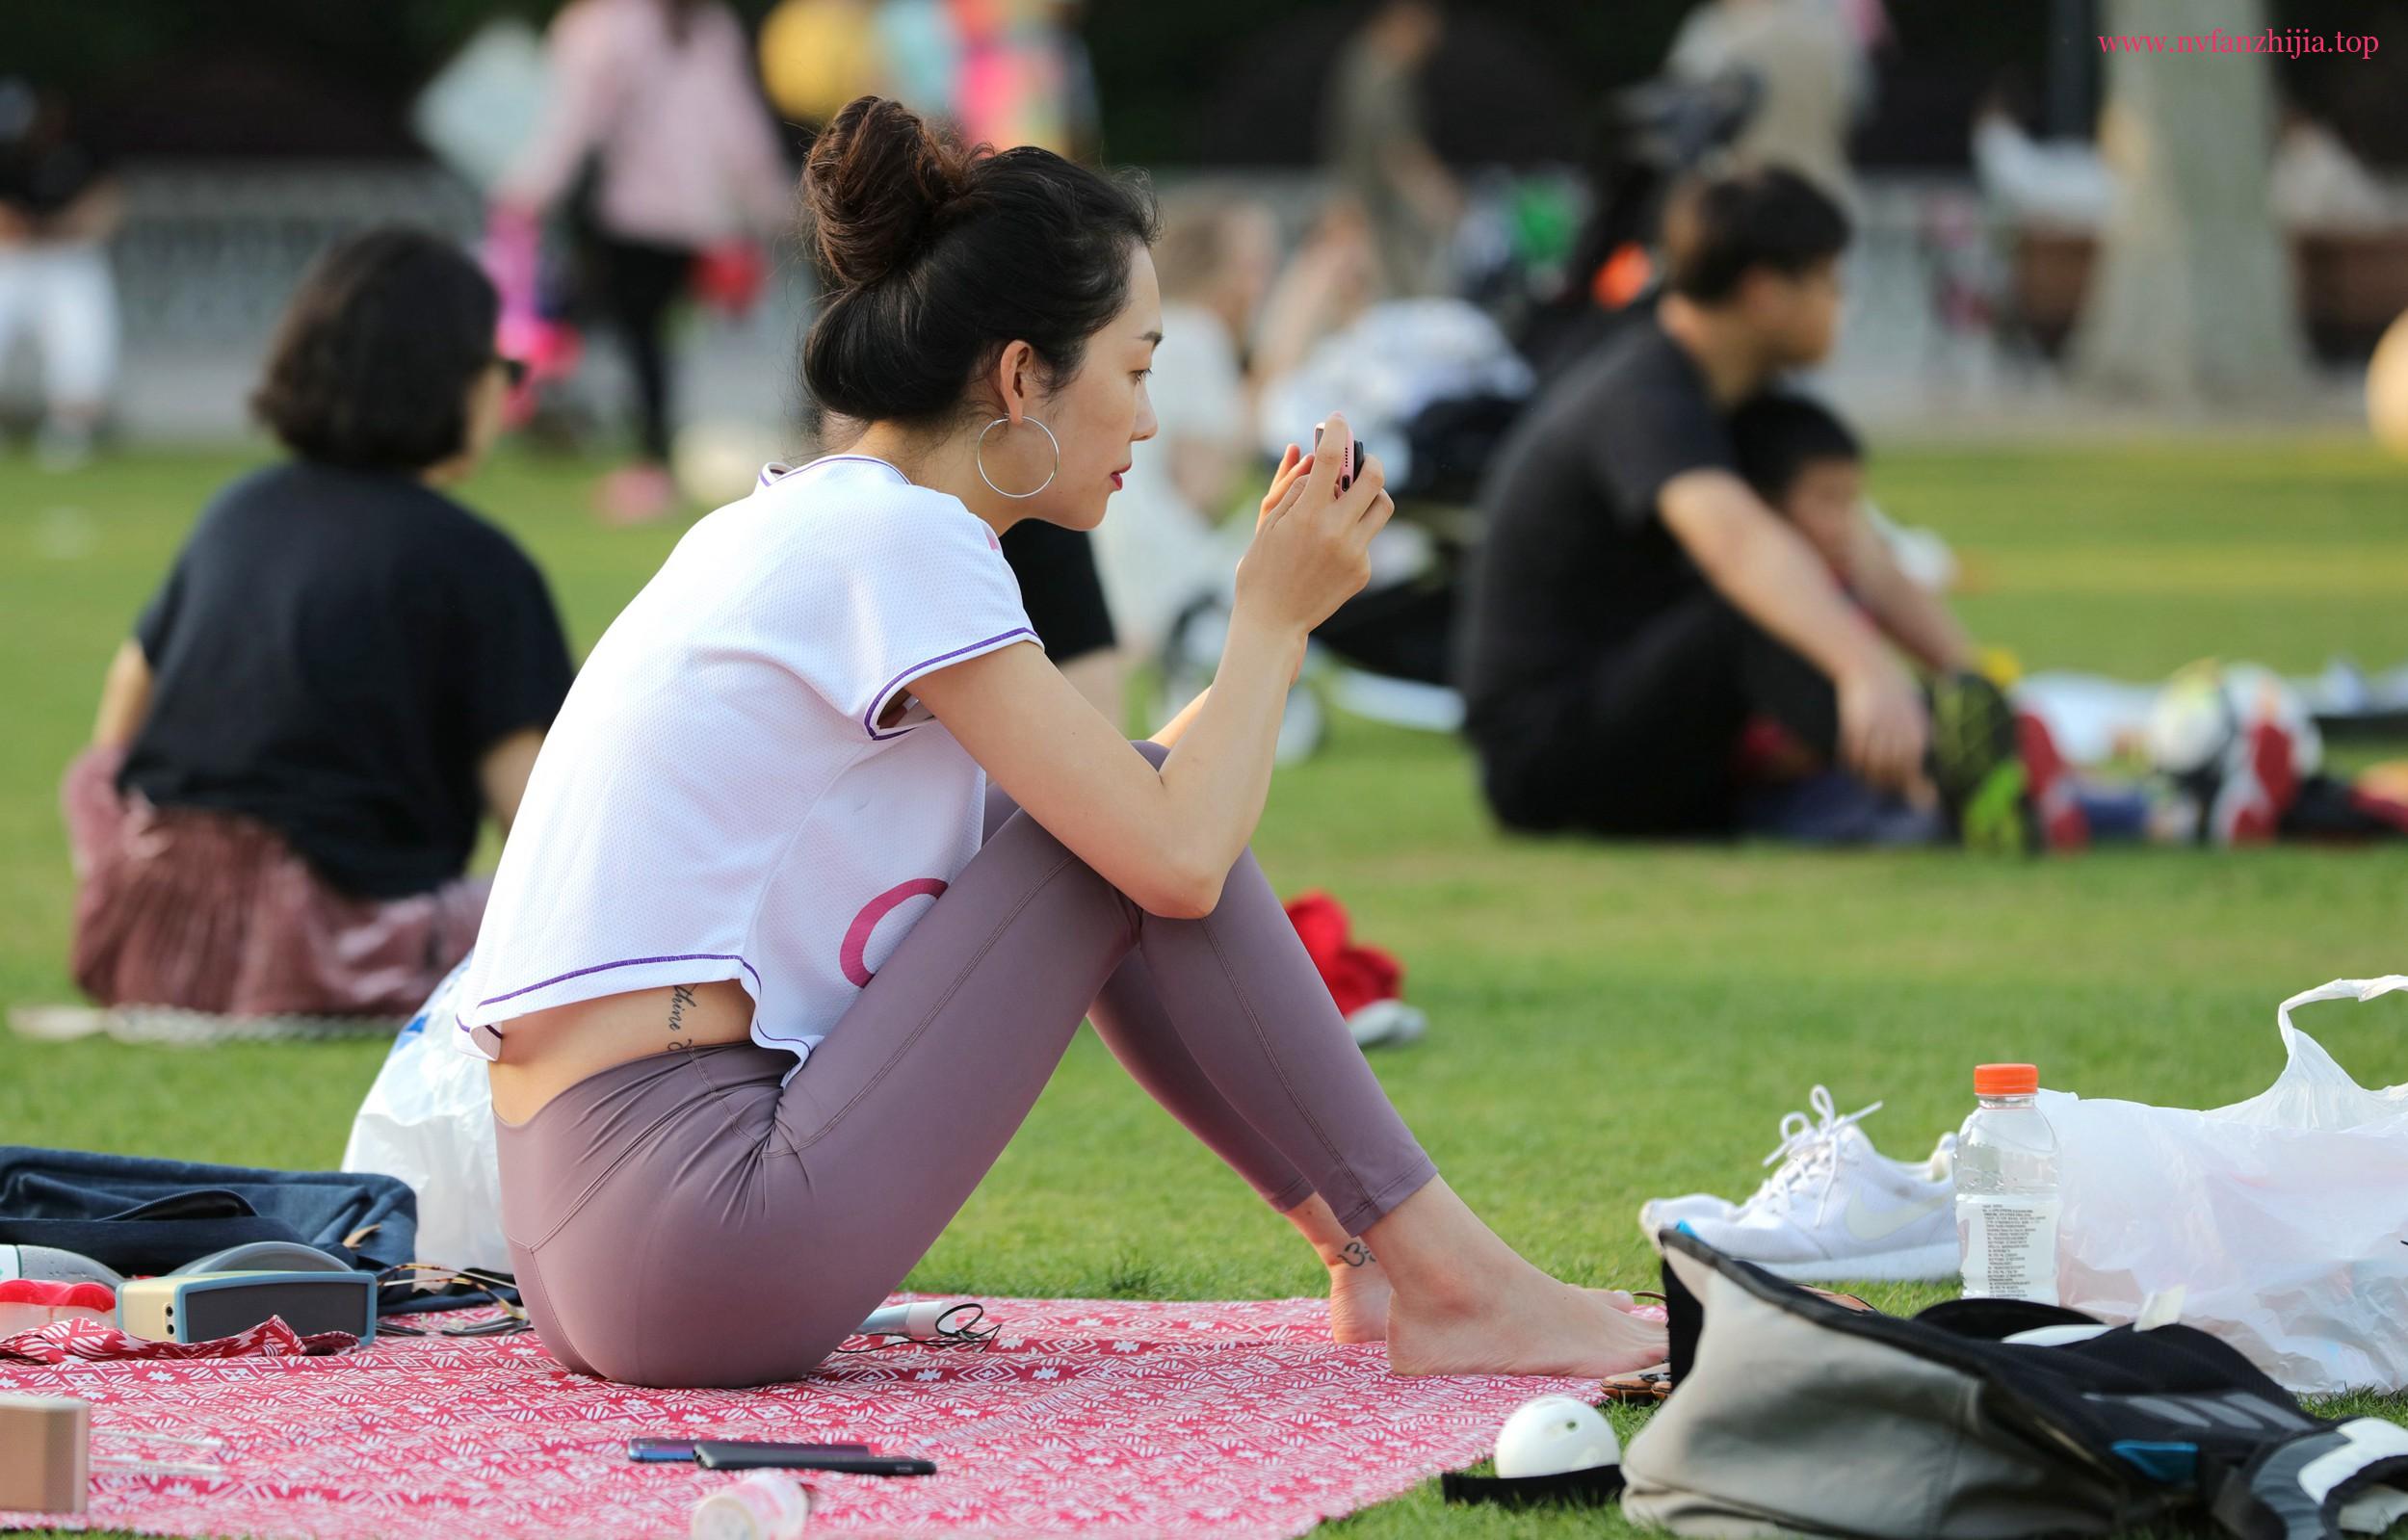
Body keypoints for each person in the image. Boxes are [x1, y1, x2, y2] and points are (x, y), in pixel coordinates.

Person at [454, 95, 1665, 1390]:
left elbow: (1129, 819)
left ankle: (1374, 1254)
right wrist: (1270, 618)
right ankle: (1447, 1278)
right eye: (1135, 370)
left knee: (1116, 815)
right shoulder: (901, 539)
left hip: (594, 1232)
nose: (1147, 418)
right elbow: (1174, 855)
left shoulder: (819, 523)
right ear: (1023, 375)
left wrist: (1272, 625)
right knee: (1135, 829)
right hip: (693, 1224)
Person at [1456, 168, 2053, 851]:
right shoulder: (1644, 393)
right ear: (1765, 292)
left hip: (1644, 724)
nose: (1841, 304)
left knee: (1804, 552)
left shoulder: (1739, 397)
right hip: (1551, 759)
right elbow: (1737, 547)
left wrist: (1976, 685)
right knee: (1749, 609)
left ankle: (1989, 775)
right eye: (1830, 282)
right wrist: (1863, 669)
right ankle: (1940, 790)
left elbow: (1860, 552)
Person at [65, 229, 575, 1017]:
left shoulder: (236, 512)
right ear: (454, 382)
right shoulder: (478, 564)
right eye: (501, 369)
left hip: (145, 936)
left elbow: (126, 693)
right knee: (556, 921)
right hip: (324, 947)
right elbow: (538, 820)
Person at [498, 0, 791, 523]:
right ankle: (632, 452)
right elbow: (737, 126)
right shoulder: (705, 25)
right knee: (638, 336)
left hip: (628, 212)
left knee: (603, 328)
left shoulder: (603, 27)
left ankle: (623, 452)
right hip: (693, 217)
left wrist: (529, 189)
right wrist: (770, 202)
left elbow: (572, 120)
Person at [0, 80, 121, 470]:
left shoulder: (80, 149)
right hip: (13, 258)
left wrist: (63, 228)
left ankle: (69, 434)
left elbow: (107, 203)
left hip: (69, 258)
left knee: (81, 344)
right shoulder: (8, 154)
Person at [1322, 0, 1458, 300]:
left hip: (1367, 209)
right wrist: (1439, 197)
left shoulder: (1359, 61)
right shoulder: (1379, 72)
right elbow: (1396, 149)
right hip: (1375, 216)